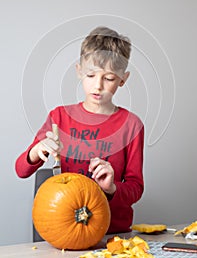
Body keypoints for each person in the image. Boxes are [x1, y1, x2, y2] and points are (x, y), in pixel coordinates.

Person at [15, 26, 144, 233]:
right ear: (79, 71)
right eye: (91, 75)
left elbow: (136, 188)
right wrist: (36, 151)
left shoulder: (132, 125)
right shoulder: (59, 117)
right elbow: (21, 170)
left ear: (123, 79)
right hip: (67, 229)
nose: (98, 85)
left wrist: (111, 189)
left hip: (113, 232)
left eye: (109, 78)